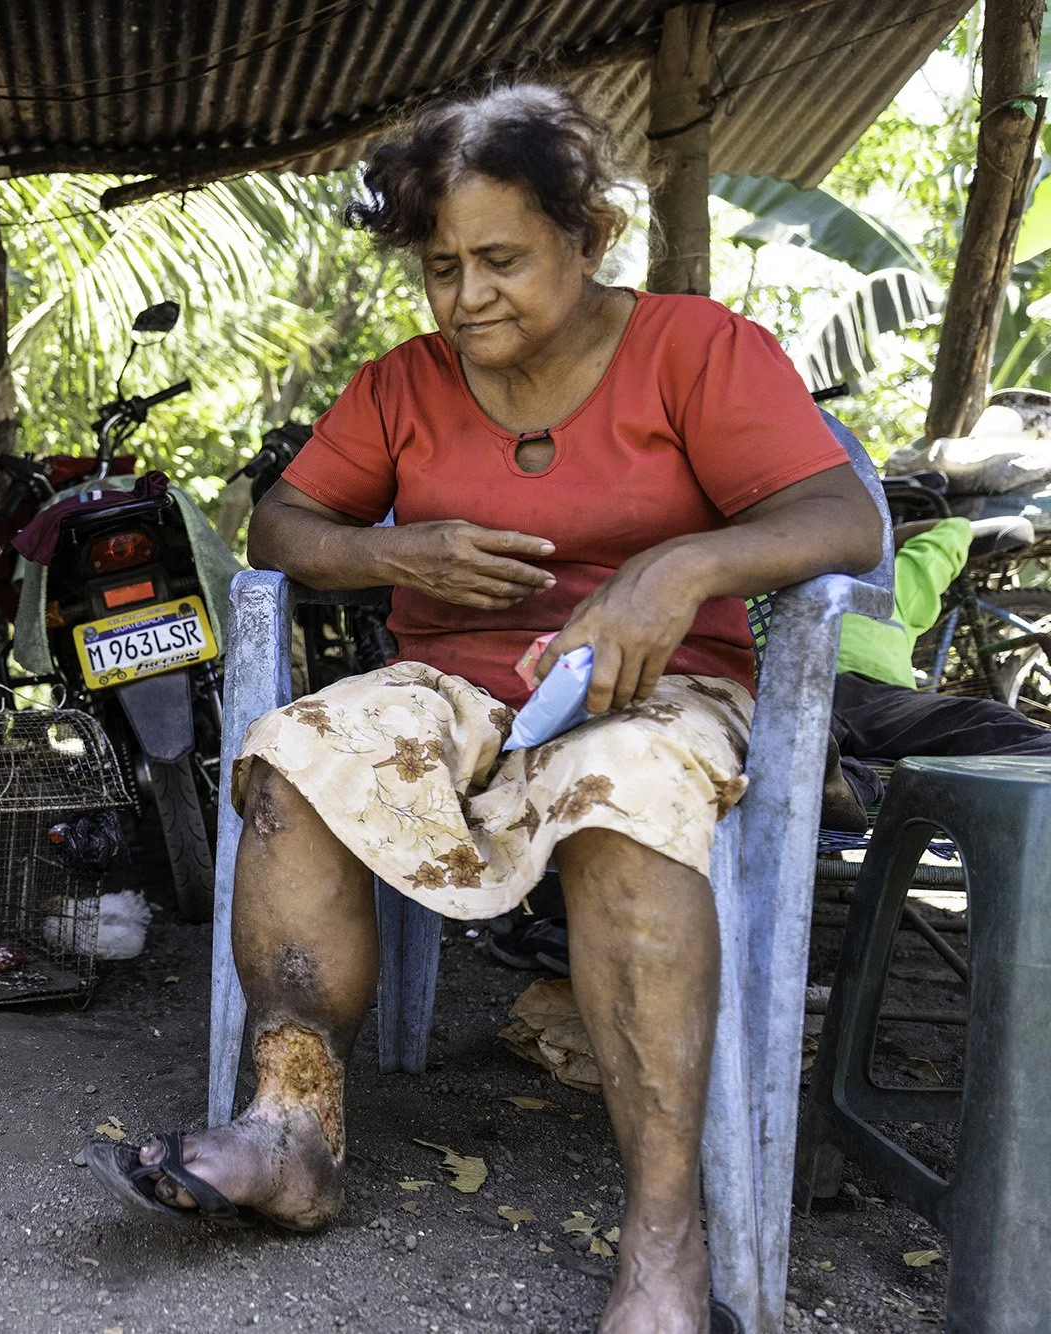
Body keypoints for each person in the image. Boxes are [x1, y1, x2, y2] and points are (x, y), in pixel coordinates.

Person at [84, 85, 881, 1334]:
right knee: (296, 753)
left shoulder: (694, 350)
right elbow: (281, 527)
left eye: (499, 259)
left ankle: (661, 1244)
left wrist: (674, 569)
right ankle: (291, 1127)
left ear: (588, 234)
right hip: (452, 684)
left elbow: (839, 518)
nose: (466, 298)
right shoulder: (402, 385)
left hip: (655, 689)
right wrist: (395, 553)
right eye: (441, 267)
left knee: (630, 795)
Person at [822, 515, 1051, 826]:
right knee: (815, 735)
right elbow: (950, 529)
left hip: (871, 699)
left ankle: (840, 784)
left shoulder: (890, 584)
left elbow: (949, 531)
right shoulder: (890, 584)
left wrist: (870, 540)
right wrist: (878, 538)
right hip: (854, 698)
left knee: (991, 720)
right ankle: (843, 785)